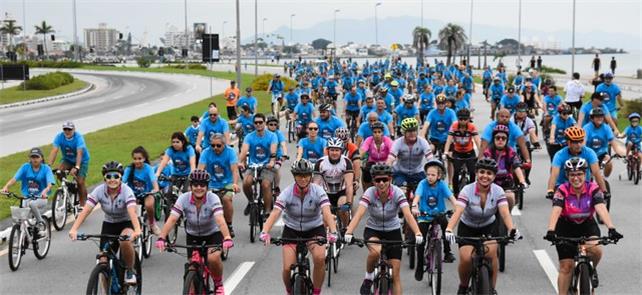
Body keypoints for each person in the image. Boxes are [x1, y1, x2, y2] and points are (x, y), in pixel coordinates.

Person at [544, 157, 623, 295]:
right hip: (565, 226)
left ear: (585, 174)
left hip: (587, 224)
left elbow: (600, 207)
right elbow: (556, 210)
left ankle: (591, 269)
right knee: (566, 267)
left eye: (579, 174)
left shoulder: (593, 188)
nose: (576, 178)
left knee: (596, 249)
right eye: (572, 175)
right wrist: (551, 230)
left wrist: (611, 228)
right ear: (567, 176)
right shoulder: (561, 190)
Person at [260, 159, 337, 295]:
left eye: (306, 175)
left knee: (319, 259)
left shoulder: (318, 191)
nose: (303, 179)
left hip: (314, 229)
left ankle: (317, 292)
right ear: (294, 176)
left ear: (310, 176)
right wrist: (265, 231)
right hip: (292, 230)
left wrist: (333, 231)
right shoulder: (287, 193)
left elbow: (326, 212)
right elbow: (275, 213)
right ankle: (289, 290)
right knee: (287, 268)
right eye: (299, 175)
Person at [343, 163, 423, 295]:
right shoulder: (370, 193)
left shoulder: (397, 193)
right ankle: (368, 278)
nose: (381, 183)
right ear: (373, 181)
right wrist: (349, 231)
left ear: (390, 179)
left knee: (396, 276)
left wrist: (418, 232)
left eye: (385, 179)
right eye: (377, 180)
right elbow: (359, 214)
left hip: (393, 231)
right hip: (373, 229)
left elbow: (408, 215)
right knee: (375, 252)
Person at [444, 158, 520, 295]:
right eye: (482, 172)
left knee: (492, 253)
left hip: (488, 226)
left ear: (494, 176)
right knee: (466, 258)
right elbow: (458, 212)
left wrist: (511, 229)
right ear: (476, 173)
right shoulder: (467, 190)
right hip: (467, 227)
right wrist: (449, 229)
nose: (485, 176)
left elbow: (504, 213)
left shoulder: (498, 191)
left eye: (489, 173)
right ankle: (463, 286)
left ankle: (492, 289)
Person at [155, 170, 234, 295]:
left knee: (213, 258)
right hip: (193, 235)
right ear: (190, 186)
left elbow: (220, 220)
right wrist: (162, 237)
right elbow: (172, 219)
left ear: (207, 187)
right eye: (195, 185)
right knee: (192, 264)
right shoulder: (183, 198)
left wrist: (227, 237)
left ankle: (218, 284)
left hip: (213, 234)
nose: (199, 188)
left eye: (202, 185)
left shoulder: (213, 198)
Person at [69, 161, 142, 285]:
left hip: (126, 222)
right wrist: (74, 229)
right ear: (104, 178)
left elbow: (132, 212)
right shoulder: (99, 191)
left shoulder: (126, 191)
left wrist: (137, 230)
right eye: (108, 176)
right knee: (103, 261)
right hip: (109, 224)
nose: (112, 180)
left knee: (125, 241)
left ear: (121, 178)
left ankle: (130, 270)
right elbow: (86, 210)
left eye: (116, 176)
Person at [413, 160, 457, 281]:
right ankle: (419, 265)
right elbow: (417, 196)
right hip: (424, 216)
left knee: (447, 227)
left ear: (439, 176)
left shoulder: (442, 184)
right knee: (420, 240)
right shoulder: (422, 184)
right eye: (428, 174)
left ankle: (447, 252)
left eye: (433, 175)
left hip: (439, 214)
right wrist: (414, 206)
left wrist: (457, 207)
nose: (430, 177)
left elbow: (452, 198)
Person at [2, 147, 55, 235]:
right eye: (32, 157)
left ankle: (41, 223)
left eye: (37, 157)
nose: (34, 159)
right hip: (27, 197)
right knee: (19, 217)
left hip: (41, 197)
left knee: (32, 204)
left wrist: (45, 190)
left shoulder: (46, 169)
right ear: (30, 158)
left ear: (41, 158)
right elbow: (14, 178)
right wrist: (6, 186)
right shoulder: (25, 167)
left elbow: (50, 183)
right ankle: (21, 240)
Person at [546, 126, 609, 200]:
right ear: (568, 142)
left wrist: (604, 191)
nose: (579, 145)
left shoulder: (590, 152)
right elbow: (554, 175)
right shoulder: (559, 155)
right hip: (563, 185)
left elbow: (596, 173)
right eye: (575, 142)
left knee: (598, 205)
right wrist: (550, 190)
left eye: (581, 141)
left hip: (584, 185)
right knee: (557, 208)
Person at [198, 134, 240, 237]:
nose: (215, 148)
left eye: (218, 145)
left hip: (227, 183)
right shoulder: (206, 152)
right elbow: (200, 170)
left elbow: (234, 170)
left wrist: (234, 183)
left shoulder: (230, 152)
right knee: (200, 199)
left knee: (226, 199)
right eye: (212, 145)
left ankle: (229, 225)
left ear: (224, 144)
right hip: (211, 184)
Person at [238, 113, 278, 215]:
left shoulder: (272, 136)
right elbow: (244, 151)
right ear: (253, 124)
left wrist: (272, 161)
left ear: (264, 123)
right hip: (253, 165)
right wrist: (240, 162)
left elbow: (273, 151)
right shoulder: (249, 137)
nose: (258, 124)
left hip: (267, 166)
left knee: (265, 185)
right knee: (246, 183)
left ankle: (267, 211)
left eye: (260, 122)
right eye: (256, 123)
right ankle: (251, 202)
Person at [482, 125, 528, 210]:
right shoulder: (488, 152)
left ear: (507, 140)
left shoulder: (510, 152)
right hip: (490, 182)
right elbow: (483, 169)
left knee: (510, 198)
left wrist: (522, 181)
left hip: (506, 182)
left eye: (503, 138)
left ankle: (507, 218)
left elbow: (517, 167)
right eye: (497, 138)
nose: (500, 140)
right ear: (493, 139)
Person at [314, 138, 354, 232]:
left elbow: (349, 185)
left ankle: (345, 228)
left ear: (341, 151)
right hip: (326, 192)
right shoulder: (320, 163)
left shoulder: (346, 162)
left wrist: (348, 203)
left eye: (337, 150)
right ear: (328, 150)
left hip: (341, 191)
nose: (334, 153)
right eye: (332, 150)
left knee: (342, 208)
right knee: (325, 215)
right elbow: (315, 185)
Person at [47, 121, 90, 206]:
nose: (67, 131)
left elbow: (79, 153)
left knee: (80, 182)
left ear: (74, 129)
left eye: (69, 129)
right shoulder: (59, 136)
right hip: (67, 160)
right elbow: (54, 151)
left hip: (82, 161)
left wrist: (77, 167)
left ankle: (83, 204)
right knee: (59, 172)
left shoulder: (78, 137)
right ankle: (68, 190)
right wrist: (48, 166)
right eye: (65, 129)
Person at [123, 146, 160, 235]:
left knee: (149, 205)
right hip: (133, 194)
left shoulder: (148, 168)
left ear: (144, 158)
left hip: (147, 193)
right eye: (135, 159)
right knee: (131, 209)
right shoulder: (129, 169)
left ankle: (152, 224)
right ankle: (134, 226)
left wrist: (155, 189)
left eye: (140, 158)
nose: (137, 161)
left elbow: (154, 181)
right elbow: (123, 181)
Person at [388, 117, 433, 187]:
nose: (412, 133)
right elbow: (390, 159)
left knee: (423, 192)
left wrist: (434, 170)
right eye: (409, 131)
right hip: (401, 172)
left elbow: (430, 159)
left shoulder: (423, 142)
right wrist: (387, 169)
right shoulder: (398, 142)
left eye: (414, 130)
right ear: (403, 132)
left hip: (418, 172)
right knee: (400, 190)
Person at [444, 108, 480, 193]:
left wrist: (481, 154)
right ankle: (456, 193)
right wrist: (445, 152)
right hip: (457, 152)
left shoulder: (472, 127)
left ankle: (472, 192)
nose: (463, 121)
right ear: (457, 119)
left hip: (469, 152)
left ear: (468, 119)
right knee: (455, 172)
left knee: (472, 172)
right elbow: (449, 140)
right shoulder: (454, 126)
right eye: (460, 119)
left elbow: (478, 141)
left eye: (465, 119)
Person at [583, 108, 625, 178]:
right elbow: (583, 143)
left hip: (601, 154)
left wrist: (619, 152)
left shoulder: (606, 128)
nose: (600, 118)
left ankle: (604, 179)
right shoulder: (586, 128)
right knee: (588, 177)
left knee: (609, 162)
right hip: (589, 154)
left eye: (601, 116)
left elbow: (613, 142)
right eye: (597, 117)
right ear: (592, 118)